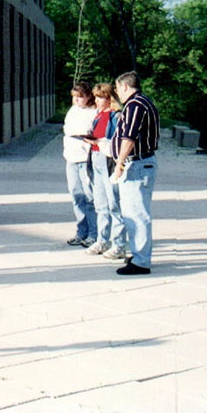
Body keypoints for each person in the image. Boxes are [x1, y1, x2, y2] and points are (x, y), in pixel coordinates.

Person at [111, 71, 160, 275]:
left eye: (117, 89)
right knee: (135, 212)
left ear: (124, 86)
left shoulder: (134, 105)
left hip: (137, 165)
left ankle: (141, 261)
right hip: (142, 164)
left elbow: (128, 137)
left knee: (136, 214)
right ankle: (140, 254)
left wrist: (119, 163)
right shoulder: (144, 102)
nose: (117, 94)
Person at [83, 83, 126, 259]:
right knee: (100, 204)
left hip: (108, 160)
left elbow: (118, 141)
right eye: (96, 96)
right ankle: (102, 239)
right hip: (95, 159)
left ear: (110, 98)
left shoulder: (115, 116)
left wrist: (99, 142)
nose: (97, 100)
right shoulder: (98, 116)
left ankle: (119, 244)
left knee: (114, 204)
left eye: (101, 97)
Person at [63, 81, 98, 247]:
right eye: (74, 97)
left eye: (80, 97)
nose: (77, 100)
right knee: (76, 195)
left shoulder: (93, 112)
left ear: (88, 97)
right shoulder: (72, 111)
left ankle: (94, 233)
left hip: (85, 159)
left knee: (89, 196)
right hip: (71, 157)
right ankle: (81, 231)